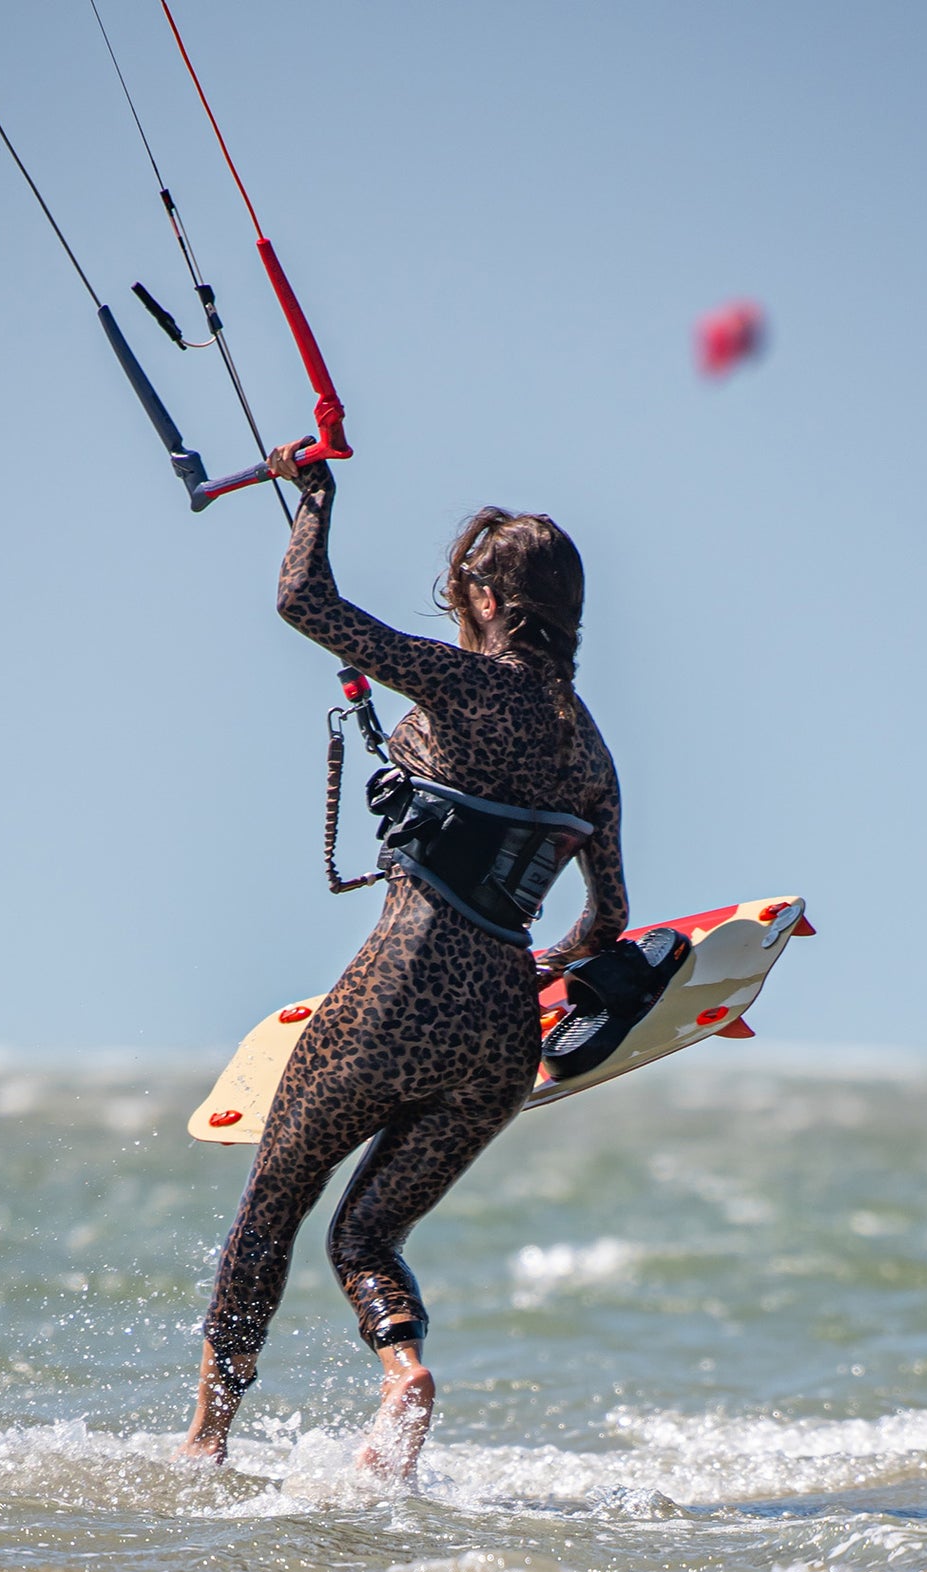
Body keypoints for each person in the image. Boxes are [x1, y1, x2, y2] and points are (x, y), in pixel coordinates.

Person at [180, 444, 628, 1475]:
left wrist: (313, 493)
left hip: (400, 988)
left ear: (482, 594)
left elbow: (303, 599)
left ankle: (205, 1439)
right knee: (365, 1239)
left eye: (462, 587)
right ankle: (402, 1376)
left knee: (273, 1203)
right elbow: (607, 922)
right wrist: (532, 970)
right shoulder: (590, 752)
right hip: (499, 1038)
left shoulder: (466, 686)